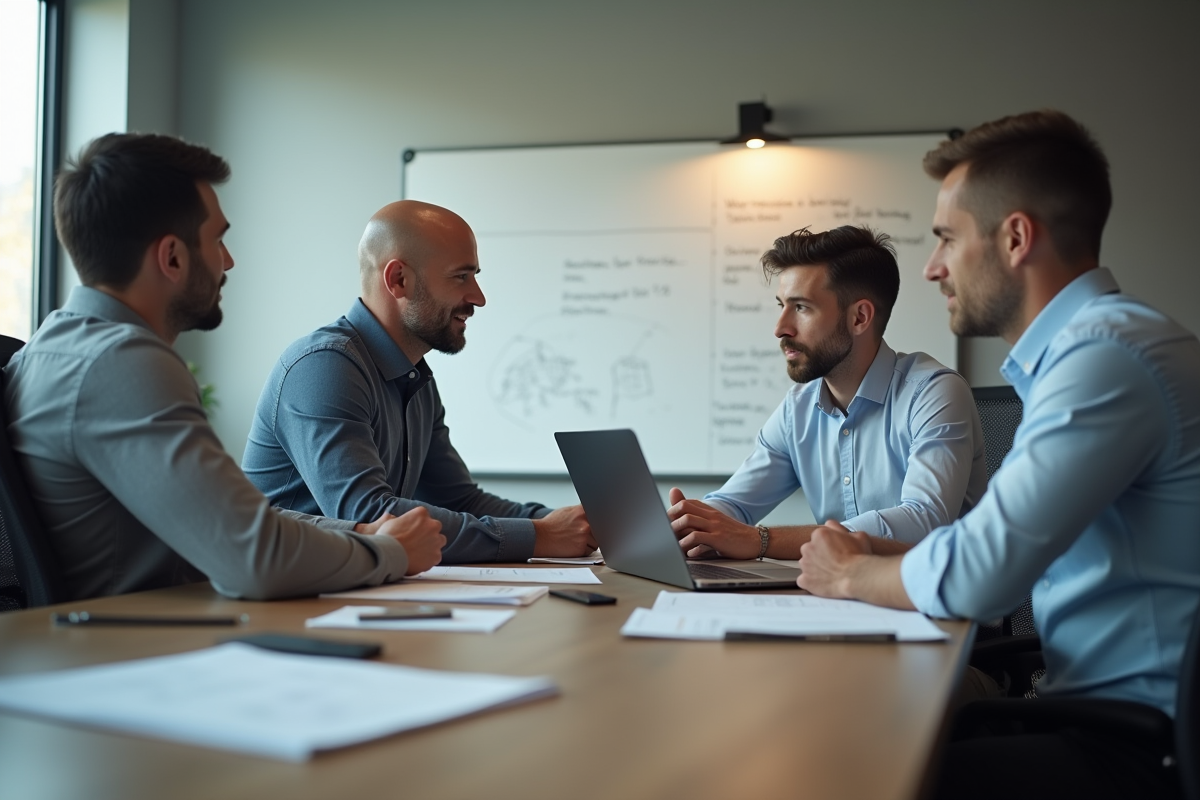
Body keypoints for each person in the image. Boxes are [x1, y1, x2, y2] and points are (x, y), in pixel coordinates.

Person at [797, 111, 1200, 799]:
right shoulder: (1091, 353)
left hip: (1137, 747)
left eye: (947, 239)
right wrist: (876, 554)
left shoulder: (1106, 359)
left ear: (1015, 237)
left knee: (840, 773)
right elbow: (1002, 555)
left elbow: (984, 577)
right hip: (1100, 717)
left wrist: (850, 575)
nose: (930, 268)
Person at [2, 133, 446, 603]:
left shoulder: (51, 350)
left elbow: (237, 518)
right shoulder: (122, 363)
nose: (228, 260)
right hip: (140, 653)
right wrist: (388, 552)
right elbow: (256, 559)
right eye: (218, 239)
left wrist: (360, 532)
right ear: (172, 257)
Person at [241, 200, 595, 562]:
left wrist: (566, 526)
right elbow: (366, 515)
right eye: (462, 276)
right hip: (290, 601)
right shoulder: (325, 366)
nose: (478, 297)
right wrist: (538, 536)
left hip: (356, 589)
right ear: (398, 280)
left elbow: (459, 499)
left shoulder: (416, 378)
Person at [667, 225, 987, 561]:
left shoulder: (934, 393)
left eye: (801, 307)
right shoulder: (798, 409)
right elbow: (732, 505)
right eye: (781, 305)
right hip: (843, 598)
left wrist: (760, 540)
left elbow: (923, 522)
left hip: (936, 607)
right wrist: (671, 527)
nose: (781, 328)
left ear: (859, 317)